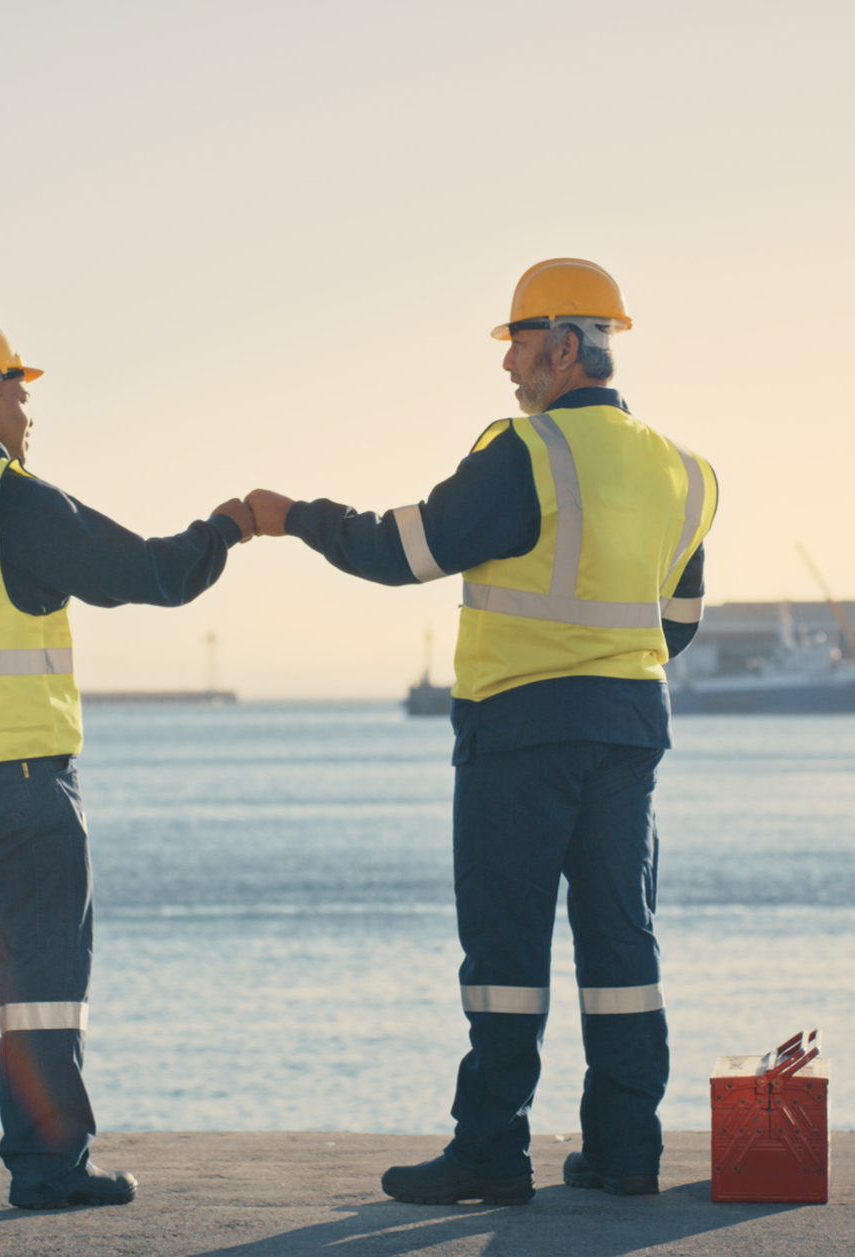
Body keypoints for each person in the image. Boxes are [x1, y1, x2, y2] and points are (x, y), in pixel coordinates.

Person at [243, 259, 716, 1206]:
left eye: (517, 345)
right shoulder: (683, 471)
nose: (508, 367)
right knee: (623, 941)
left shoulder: (526, 453)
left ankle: (493, 1151)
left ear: (565, 345)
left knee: (505, 949)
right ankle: (626, 1150)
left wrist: (291, 517)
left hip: (523, 730)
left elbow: (400, 548)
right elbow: (681, 617)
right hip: (628, 729)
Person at [0, 315, 255, 1208]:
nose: (27, 411)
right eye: (19, 393)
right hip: (17, 775)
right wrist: (227, 527)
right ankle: (49, 1164)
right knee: (38, 972)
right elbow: (154, 573)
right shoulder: (6, 497)